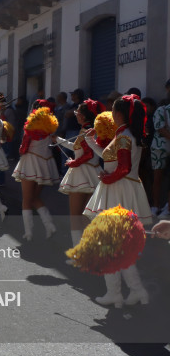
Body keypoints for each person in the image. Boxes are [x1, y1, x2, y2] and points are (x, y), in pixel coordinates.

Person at [83, 95, 153, 306]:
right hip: (124, 189)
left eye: (113, 109)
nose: (111, 113)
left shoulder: (123, 136)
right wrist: (90, 142)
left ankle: (117, 293)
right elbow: (109, 158)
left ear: (120, 113)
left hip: (117, 190)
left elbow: (123, 168)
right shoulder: (126, 134)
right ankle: (135, 291)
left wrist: (107, 178)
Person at [54, 99, 105, 257]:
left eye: (77, 113)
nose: (75, 115)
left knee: (76, 217)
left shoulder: (86, 130)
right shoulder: (92, 129)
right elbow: (78, 148)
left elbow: (87, 154)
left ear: (82, 116)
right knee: (88, 216)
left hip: (81, 174)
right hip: (94, 174)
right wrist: (58, 140)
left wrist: (74, 162)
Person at [12, 101, 60, 240]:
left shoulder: (31, 128)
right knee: (35, 198)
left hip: (30, 164)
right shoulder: (50, 127)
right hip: (45, 165)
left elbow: (22, 149)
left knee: (27, 200)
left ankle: (29, 232)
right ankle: (49, 224)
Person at [151, 99, 170, 216]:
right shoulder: (161, 110)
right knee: (157, 177)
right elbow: (160, 128)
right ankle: (156, 206)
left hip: (160, 147)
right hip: (159, 147)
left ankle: (167, 207)